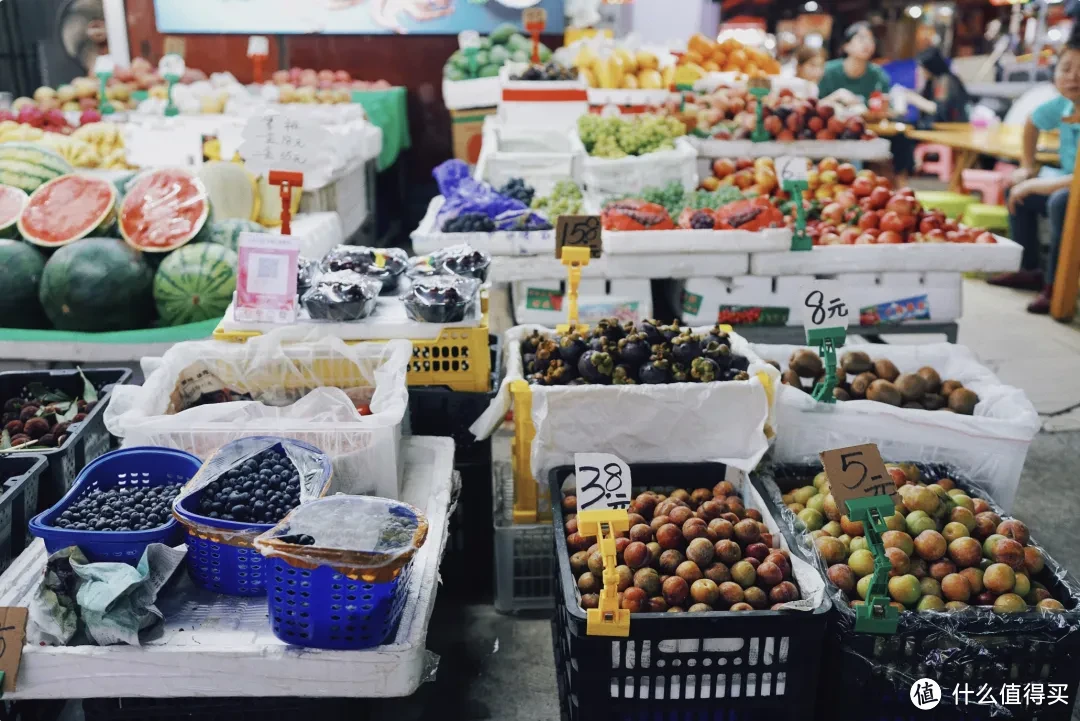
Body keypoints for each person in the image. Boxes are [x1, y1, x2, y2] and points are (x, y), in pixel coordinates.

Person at [990, 33, 1080, 314]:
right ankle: (1029, 269)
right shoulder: (1064, 105)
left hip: (1073, 192)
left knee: (1059, 202)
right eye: (1066, 69)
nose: (1073, 77)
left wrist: (1034, 185)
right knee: (1016, 192)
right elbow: (1032, 122)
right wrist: (1028, 167)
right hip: (1070, 185)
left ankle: (1057, 286)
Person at [892, 47, 972, 178]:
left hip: (948, 127)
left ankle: (906, 168)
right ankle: (905, 167)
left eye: (921, 67)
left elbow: (940, 110)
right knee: (900, 125)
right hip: (935, 124)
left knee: (904, 128)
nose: (919, 71)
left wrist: (914, 99)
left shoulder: (946, 80)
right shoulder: (932, 81)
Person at [817, 22, 891, 105]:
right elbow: (815, 105)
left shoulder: (878, 74)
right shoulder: (827, 71)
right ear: (846, 46)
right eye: (861, 38)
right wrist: (837, 96)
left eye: (871, 39)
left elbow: (888, 106)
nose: (867, 43)